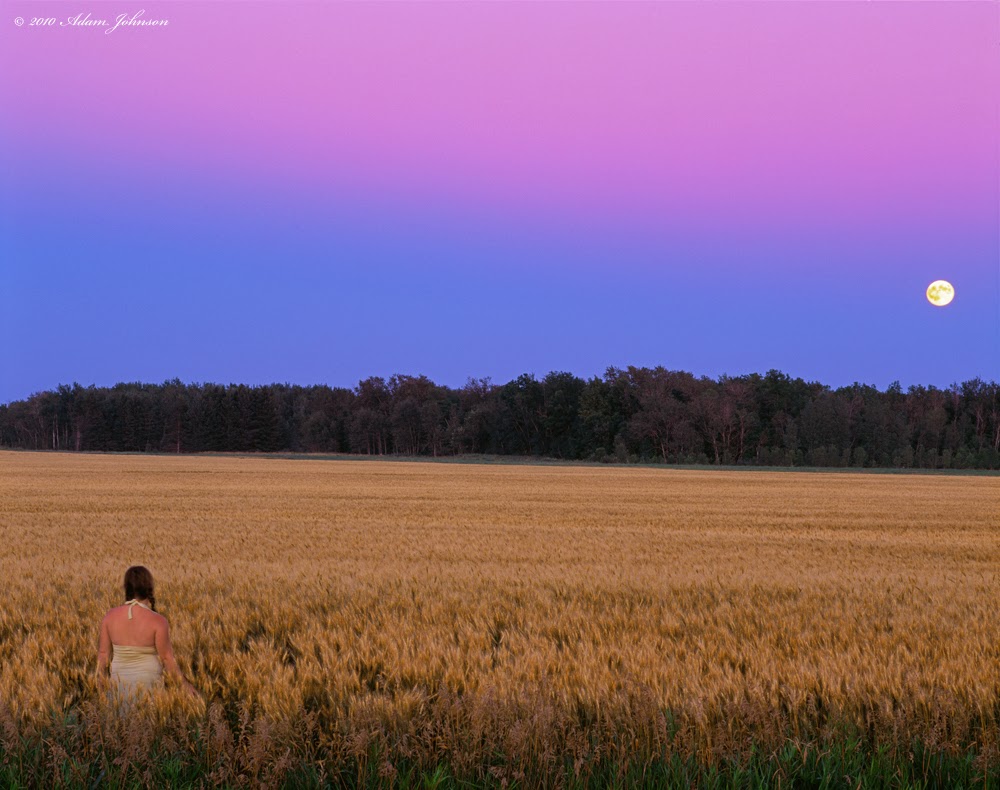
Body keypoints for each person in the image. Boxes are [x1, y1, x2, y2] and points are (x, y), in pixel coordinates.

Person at [96, 566, 200, 698]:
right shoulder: (158, 621)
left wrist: (100, 685)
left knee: (119, 711)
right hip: (149, 688)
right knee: (148, 712)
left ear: (126, 588)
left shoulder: (110, 616)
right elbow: (167, 659)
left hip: (118, 688)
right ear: (149, 588)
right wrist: (185, 685)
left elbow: (103, 655)